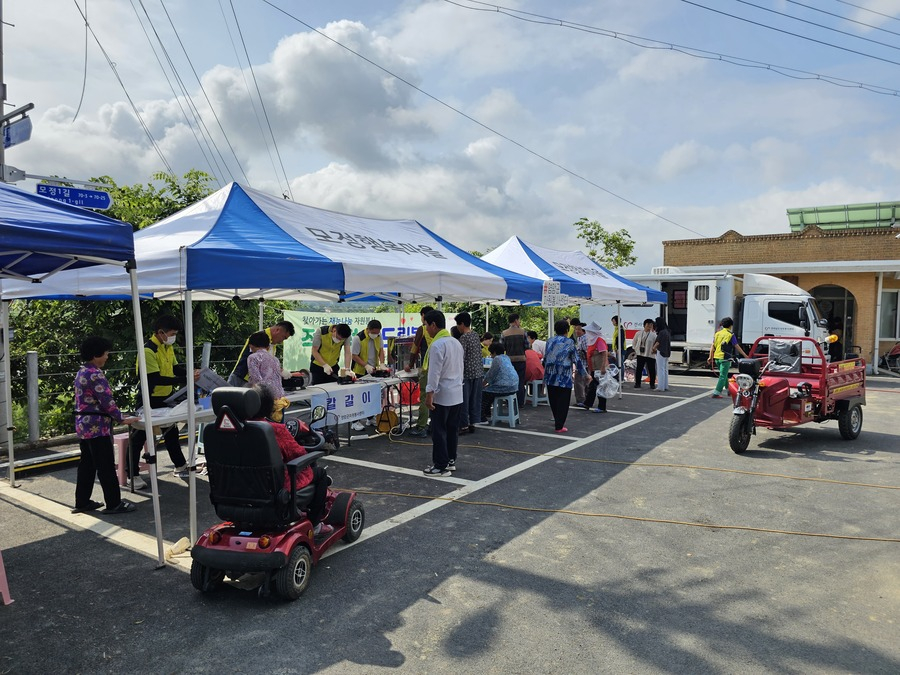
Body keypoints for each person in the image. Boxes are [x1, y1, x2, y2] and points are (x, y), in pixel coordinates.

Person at [128, 314, 199, 486]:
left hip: (166, 397)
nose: (173, 337)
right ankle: (132, 474)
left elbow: (175, 368)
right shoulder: (147, 351)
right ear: (161, 332)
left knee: (171, 431)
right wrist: (186, 380)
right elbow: (154, 379)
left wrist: (191, 372)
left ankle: (180, 465)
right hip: (148, 399)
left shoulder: (167, 347)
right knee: (139, 436)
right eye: (172, 333)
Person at [253, 384, 333, 536]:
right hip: (277, 487)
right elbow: (299, 454)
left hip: (240, 489)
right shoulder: (274, 429)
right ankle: (315, 524)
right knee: (320, 474)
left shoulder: (223, 430)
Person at [73, 336, 139, 514]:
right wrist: (121, 418)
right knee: (106, 465)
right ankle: (114, 503)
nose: (107, 357)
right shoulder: (95, 374)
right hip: (97, 425)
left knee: (87, 464)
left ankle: (82, 501)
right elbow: (106, 401)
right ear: (96, 355)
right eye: (106, 353)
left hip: (83, 425)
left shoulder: (82, 371)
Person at [420, 310, 464, 476]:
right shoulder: (455, 342)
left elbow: (434, 373)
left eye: (426, 325)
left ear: (433, 325)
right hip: (456, 393)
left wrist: (429, 394)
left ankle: (440, 465)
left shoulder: (438, 345)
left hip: (442, 394)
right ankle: (450, 460)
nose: (426, 329)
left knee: (438, 430)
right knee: (452, 429)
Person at [542, 319, 589, 433]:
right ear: (567, 331)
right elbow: (576, 360)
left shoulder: (549, 341)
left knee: (553, 399)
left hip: (550, 375)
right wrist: (585, 375)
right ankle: (559, 425)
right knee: (563, 401)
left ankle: (557, 421)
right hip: (564, 376)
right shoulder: (569, 342)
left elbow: (546, 358)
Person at [228, 321, 295, 387]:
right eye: (284, 337)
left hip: (255, 382)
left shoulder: (273, 343)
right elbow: (254, 361)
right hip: (241, 377)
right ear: (278, 330)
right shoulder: (258, 337)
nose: (281, 342)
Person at [349, 320, 384, 431]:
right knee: (359, 396)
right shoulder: (358, 338)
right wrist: (366, 366)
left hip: (374, 370)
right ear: (368, 329)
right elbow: (354, 356)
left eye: (377, 333)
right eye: (373, 332)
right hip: (360, 370)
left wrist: (382, 363)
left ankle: (370, 418)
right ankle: (355, 421)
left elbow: (381, 351)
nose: (375, 335)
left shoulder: (379, 336)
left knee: (372, 396)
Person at [246, 331, 289, 421]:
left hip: (265, 400)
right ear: (268, 347)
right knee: (278, 430)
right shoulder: (275, 359)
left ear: (251, 346)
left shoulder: (253, 357)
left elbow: (256, 379)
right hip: (280, 400)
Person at [406, 307, 435, 438]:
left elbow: (415, 348)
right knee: (436, 397)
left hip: (426, 367)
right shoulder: (442, 331)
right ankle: (433, 424)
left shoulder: (422, 329)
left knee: (424, 397)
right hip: (439, 369)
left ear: (423, 315)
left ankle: (421, 426)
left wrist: (410, 364)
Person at [454, 311, 484, 435]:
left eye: (457, 324)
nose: (457, 327)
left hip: (466, 373)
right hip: (478, 372)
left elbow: (461, 356)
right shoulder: (476, 335)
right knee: (475, 399)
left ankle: (464, 425)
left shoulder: (464, 338)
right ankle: (473, 422)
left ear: (462, 324)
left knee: (464, 400)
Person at [707, 316, 749, 398]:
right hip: (725, 358)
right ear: (731, 325)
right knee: (723, 376)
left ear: (722, 325)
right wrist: (745, 355)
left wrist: (710, 356)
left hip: (717, 358)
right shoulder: (730, 335)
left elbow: (712, 346)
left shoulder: (717, 333)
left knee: (724, 375)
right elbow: (736, 346)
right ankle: (716, 393)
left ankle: (729, 390)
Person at [480, 342, 520, 423]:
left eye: (491, 353)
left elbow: (490, 375)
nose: (491, 355)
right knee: (489, 391)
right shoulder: (506, 357)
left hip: (504, 386)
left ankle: (482, 417)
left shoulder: (497, 359)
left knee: (484, 393)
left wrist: (482, 385)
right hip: (514, 385)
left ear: (494, 352)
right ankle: (487, 413)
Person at [501, 313, 529, 407]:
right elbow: (527, 346)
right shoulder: (522, 332)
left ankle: (510, 402)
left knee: (510, 381)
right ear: (516, 320)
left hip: (509, 361)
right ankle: (520, 403)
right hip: (521, 359)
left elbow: (502, 348)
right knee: (520, 381)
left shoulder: (504, 333)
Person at [581, 322, 609, 413]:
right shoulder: (591, 340)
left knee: (600, 386)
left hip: (599, 367)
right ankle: (588, 403)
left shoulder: (599, 340)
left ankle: (602, 407)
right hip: (594, 367)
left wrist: (603, 367)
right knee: (593, 386)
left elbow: (604, 353)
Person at [632, 318, 658, 390]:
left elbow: (656, 343)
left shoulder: (653, 335)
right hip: (640, 354)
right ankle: (637, 383)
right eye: (648, 324)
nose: (649, 326)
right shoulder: (638, 333)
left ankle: (652, 384)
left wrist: (654, 350)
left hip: (650, 354)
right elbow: (634, 342)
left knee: (651, 369)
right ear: (644, 325)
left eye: (651, 325)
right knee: (639, 369)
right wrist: (636, 349)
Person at [571, 321, 589, 406]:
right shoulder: (579, 338)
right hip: (582, 363)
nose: (576, 331)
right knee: (583, 382)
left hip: (583, 364)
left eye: (579, 329)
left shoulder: (585, 338)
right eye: (576, 329)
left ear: (584, 331)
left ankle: (581, 400)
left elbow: (586, 352)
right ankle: (584, 399)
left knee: (579, 382)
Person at [654, 316, 672, 392]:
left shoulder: (661, 332)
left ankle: (660, 387)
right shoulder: (667, 331)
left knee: (660, 369)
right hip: (667, 351)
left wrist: (653, 348)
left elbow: (658, 342)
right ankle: (665, 386)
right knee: (665, 370)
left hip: (661, 351)